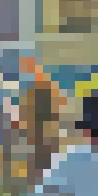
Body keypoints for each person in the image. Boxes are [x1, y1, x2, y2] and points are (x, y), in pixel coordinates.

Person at [20, 56, 63, 186]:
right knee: (37, 159)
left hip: (44, 132)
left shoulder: (45, 87)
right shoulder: (33, 88)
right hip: (36, 132)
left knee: (44, 159)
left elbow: (54, 111)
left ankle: (42, 183)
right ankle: (37, 183)